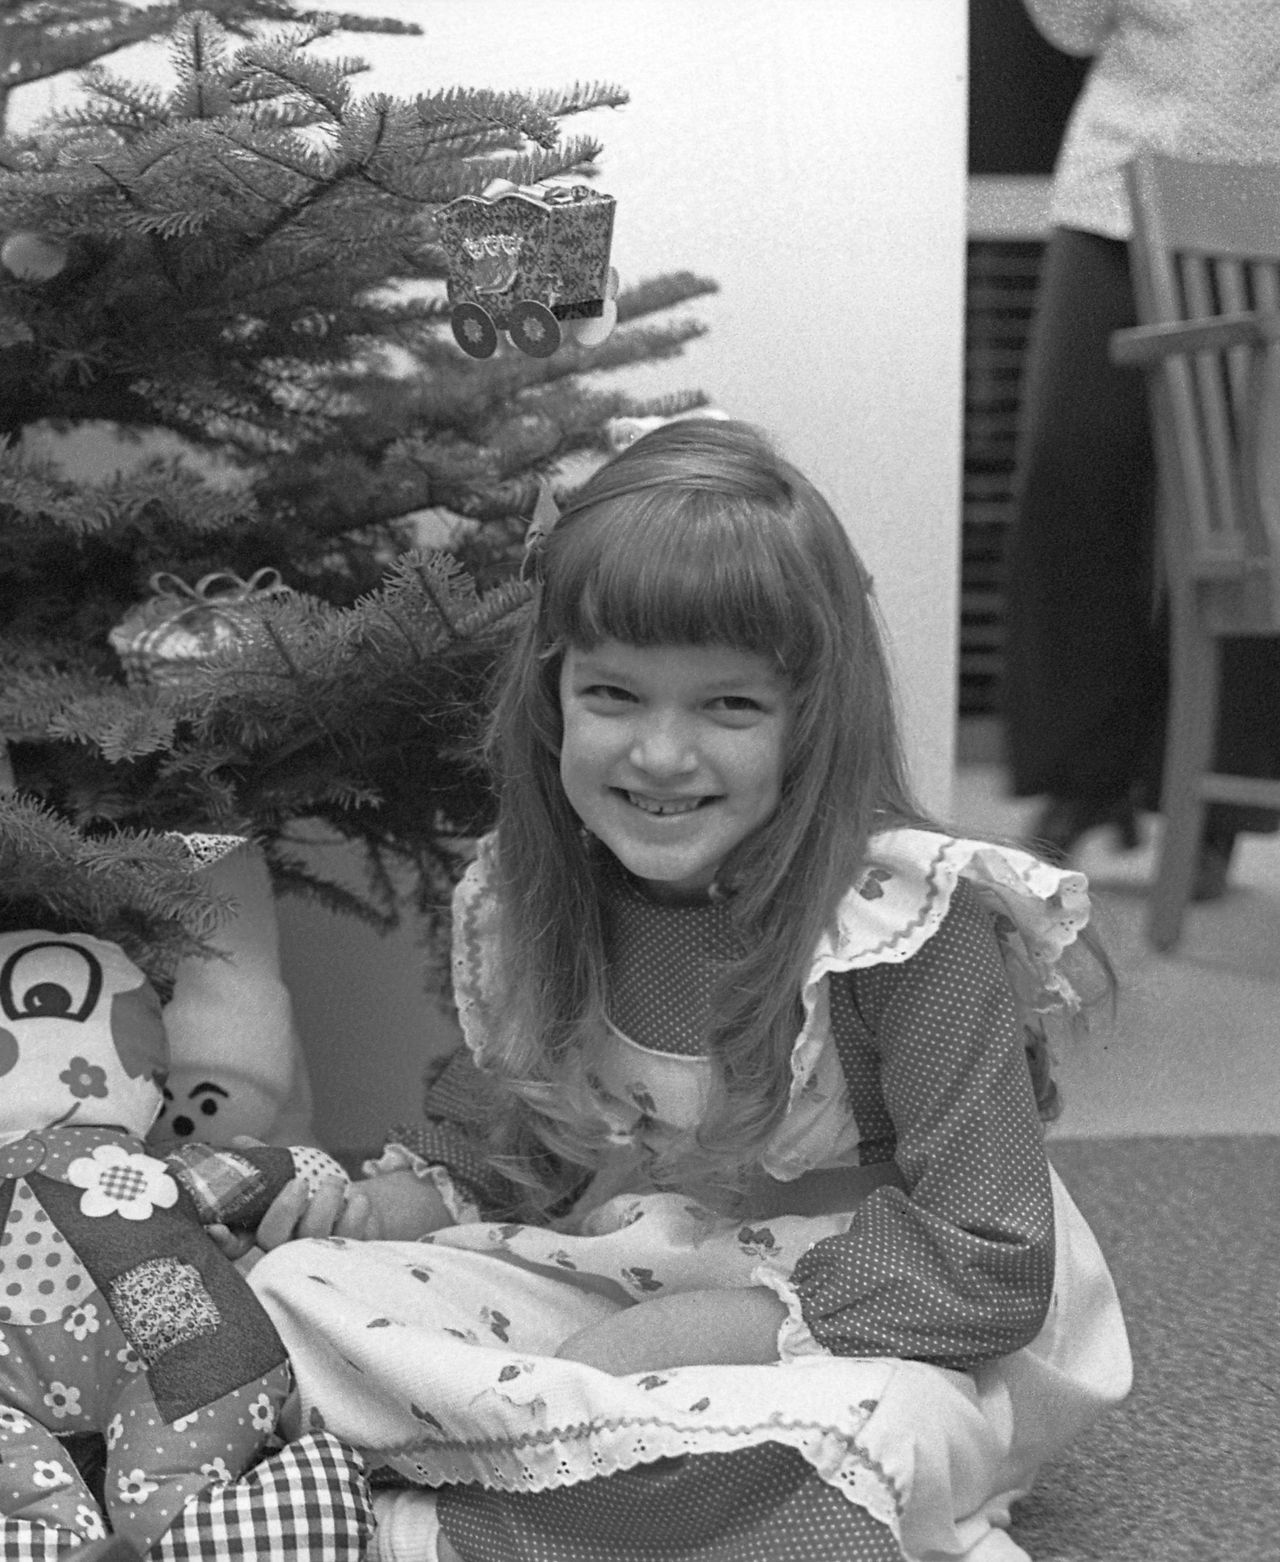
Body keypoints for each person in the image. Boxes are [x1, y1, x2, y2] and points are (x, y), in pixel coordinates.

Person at [242, 421, 1132, 1562]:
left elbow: (992, 1258)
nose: (661, 755)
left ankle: (431, 1524)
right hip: (638, 1277)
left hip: (888, 1330)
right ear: (554, 696)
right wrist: (376, 1213)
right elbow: (516, 1159)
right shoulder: (539, 897)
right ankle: (563, 1502)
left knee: (867, 1442)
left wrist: (697, 1333)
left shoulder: (902, 924)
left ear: (811, 716)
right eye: (615, 693)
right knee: (290, 1291)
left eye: (729, 707)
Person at [1001, 0, 1280, 897]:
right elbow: (1072, 26)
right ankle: (1081, 776)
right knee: (1070, 472)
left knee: (1248, 511)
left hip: (1266, 192)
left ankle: (1212, 804)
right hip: (1116, 183)